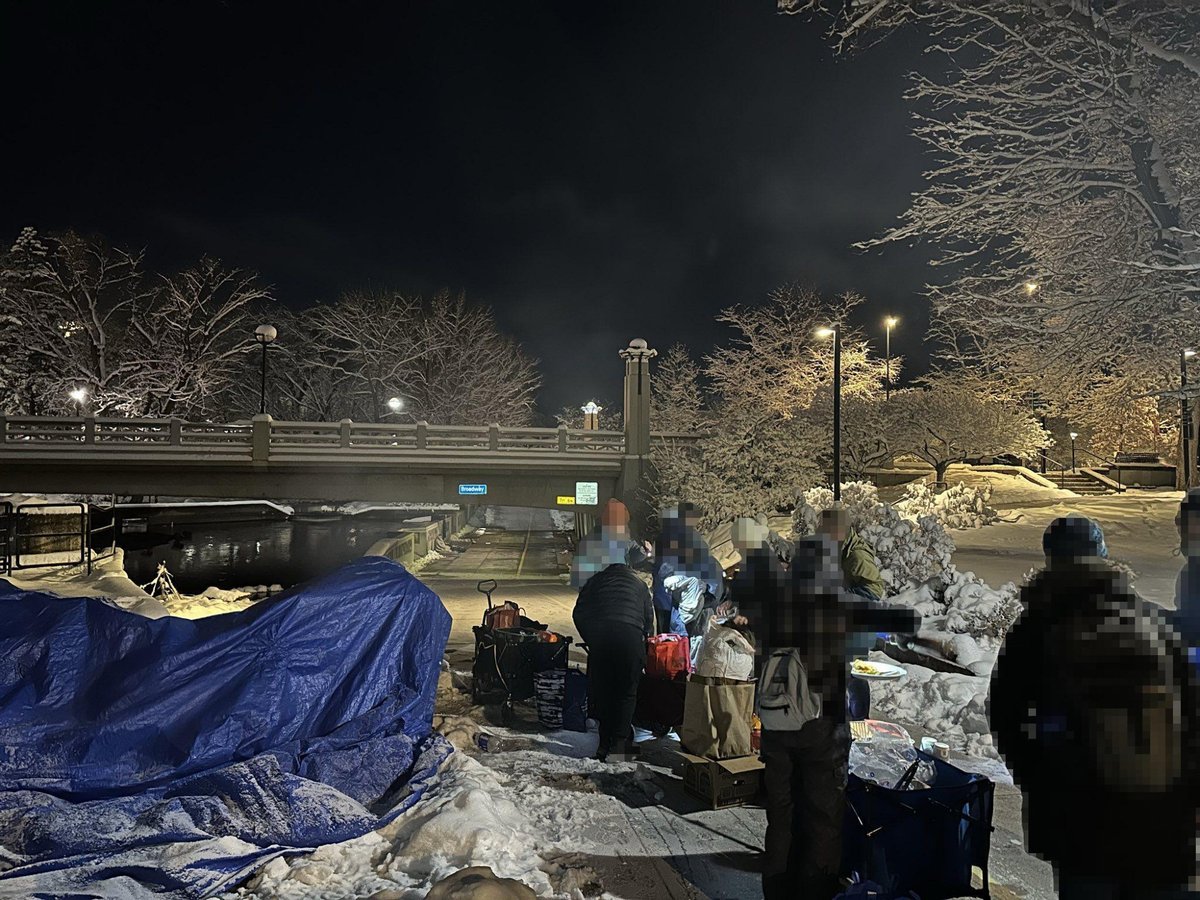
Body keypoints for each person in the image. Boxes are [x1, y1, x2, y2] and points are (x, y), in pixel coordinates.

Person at [989, 516, 1198, 899]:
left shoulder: (1033, 631)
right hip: (1160, 820)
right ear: (1104, 556)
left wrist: (1040, 784)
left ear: (1051, 560)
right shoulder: (1148, 619)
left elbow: (1007, 718)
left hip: (1079, 824)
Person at [736, 536, 921, 900]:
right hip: (821, 726)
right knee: (822, 815)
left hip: (776, 722)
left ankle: (776, 890)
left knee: (782, 811)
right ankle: (814, 891)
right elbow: (901, 621)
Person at [573, 561, 655, 762]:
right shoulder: (639, 585)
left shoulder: (595, 581)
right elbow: (649, 621)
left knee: (603, 692)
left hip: (601, 639)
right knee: (626, 693)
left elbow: (579, 613)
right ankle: (619, 747)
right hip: (630, 638)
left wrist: (591, 637)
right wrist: (644, 646)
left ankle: (603, 745)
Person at [817, 506, 887, 720]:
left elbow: (874, 590)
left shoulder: (856, 555)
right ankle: (839, 722)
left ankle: (859, 722)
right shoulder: (837, 549)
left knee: (854, 677)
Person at [571, 498, 651, 590]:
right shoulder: (597, 541)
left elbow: (634, 555)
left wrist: (644, 550)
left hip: (609, 586)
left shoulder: (593, 540)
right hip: (613, 585)